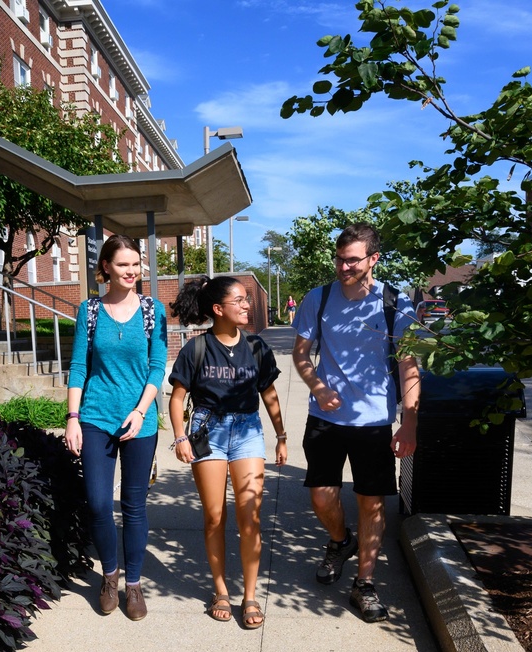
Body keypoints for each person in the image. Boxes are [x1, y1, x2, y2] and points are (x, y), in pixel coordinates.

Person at [290, 223, 421, 622]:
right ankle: (339, 541)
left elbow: (408, 364)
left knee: (372, 501)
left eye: (352, 259)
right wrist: (315, 385)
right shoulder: (319, 298)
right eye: (339, 258)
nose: (343, 266)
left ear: (373, 259)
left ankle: (364, 584)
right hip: (326, 417)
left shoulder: (394, 302)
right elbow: (301, 353)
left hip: (375, 420)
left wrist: (410, 421)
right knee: (321, 496)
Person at [168, 276, 287, 628]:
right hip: (209, 431)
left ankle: (250, 596)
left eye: (248, 299)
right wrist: (180, 438)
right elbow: (177, 398)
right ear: (218, 309)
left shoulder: (256, 346)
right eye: (240, 300)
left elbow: (269, 393)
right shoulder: (197, 348)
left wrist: (281, 434)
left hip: (248, 429)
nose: (247, 305)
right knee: (215, 516)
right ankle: (220, 590)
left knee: (250, 517)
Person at [65, 235, 167, 621]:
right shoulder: (89, 310)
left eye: (136, 264)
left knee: (135, 506)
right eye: (124, 265)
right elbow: (78, 366)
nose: (132, 272)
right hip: (95, 416)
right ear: (105, 267)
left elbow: (157, 365)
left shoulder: (152, 310)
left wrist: (142, 411)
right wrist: (73, 418)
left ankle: (134, 585)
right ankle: (110, 576)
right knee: (98, 503)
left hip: (139, 421)